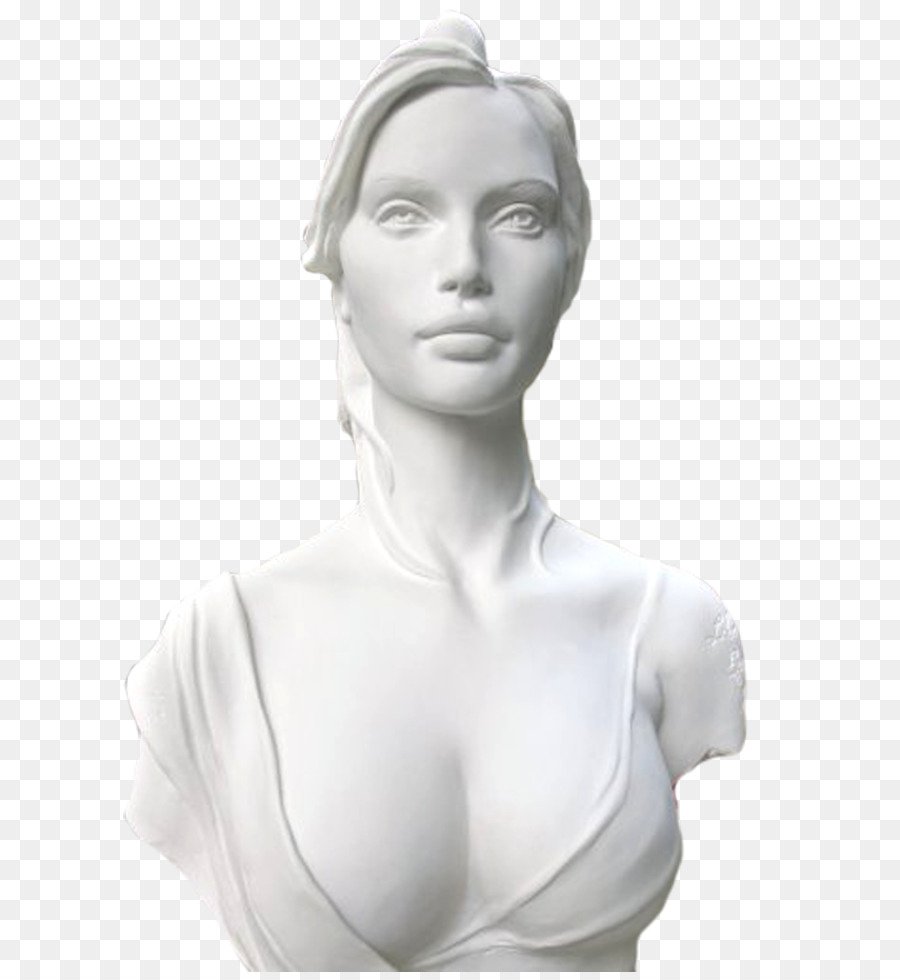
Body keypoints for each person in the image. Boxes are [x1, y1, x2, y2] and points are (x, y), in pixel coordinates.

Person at [126, 15, 746, 972]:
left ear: (571, 261)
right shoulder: (219, 649)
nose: (465, 266)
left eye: (519, 216)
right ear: (336, 265)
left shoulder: (670, 629)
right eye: (406, 213)